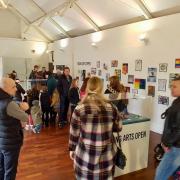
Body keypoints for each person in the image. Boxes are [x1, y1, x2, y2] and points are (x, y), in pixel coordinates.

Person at [69, 76, 123, 179]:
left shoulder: (79, 108)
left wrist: (71, 149)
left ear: (88, 87)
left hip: (84, 158)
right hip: (106, 159)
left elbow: (74, 133)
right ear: (101, 88)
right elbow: (119, 128)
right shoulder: (112, 107)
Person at [0, 77, 29, 180]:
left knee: (2, 169)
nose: (16, 89)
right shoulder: (9, 104)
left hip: (2, 140)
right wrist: (23, 107)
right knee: (10, 171)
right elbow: (25, 117)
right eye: (13, 87)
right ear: (5, 89)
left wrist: (17, 106)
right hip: (11, 142)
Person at [155, 76, 180, 180]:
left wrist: (166, 143)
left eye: (174, 86)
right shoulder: (177, 101)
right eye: (171, 86)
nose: (171, 88)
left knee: (160, 175)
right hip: (174, 146)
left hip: (176, 147)